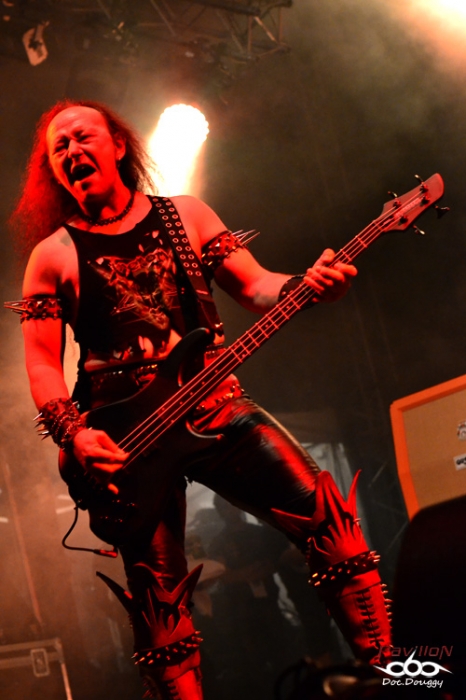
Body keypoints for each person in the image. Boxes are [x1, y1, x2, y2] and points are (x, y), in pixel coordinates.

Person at [7, 99, 391, 700]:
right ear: (54, 171)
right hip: (128, 444)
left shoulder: (185, 215)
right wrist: (76, 434)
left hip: (216, 406)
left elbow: (256, 286)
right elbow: (40, 363)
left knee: (331, 522)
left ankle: (389, 678)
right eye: (60, 148)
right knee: (160, 612)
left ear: (117, 146)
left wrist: (306, 285)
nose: (73, 151)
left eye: (83, 137)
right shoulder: (52, 254)